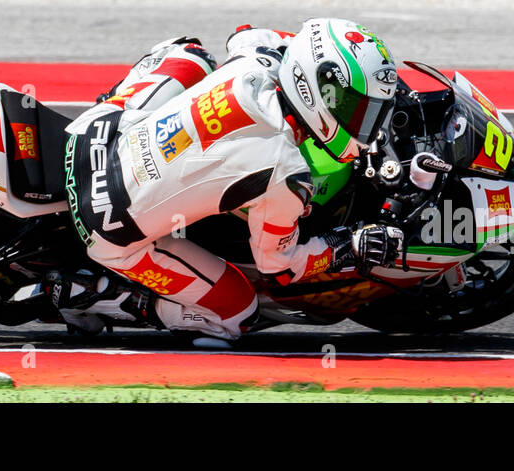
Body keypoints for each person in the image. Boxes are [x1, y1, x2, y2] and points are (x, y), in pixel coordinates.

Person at [56, 17, 406, 344]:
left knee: (189, 54)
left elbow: (245, 33)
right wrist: (348, 245)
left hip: (96, 133)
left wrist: (298, 47)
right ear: (316, 90)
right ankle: (99, 295)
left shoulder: (257, 58)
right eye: (359, 109)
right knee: (238, 314)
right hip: (107, 224)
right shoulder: (286, 172)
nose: (367, 125)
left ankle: (111, 104)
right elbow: (277, 266)